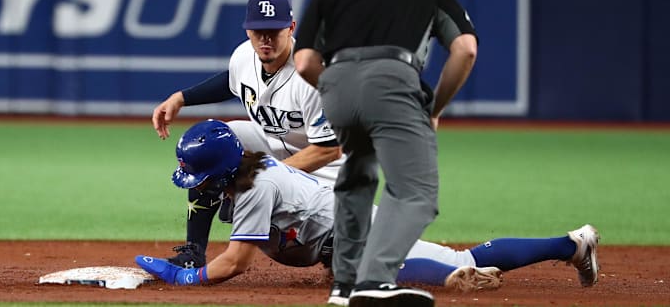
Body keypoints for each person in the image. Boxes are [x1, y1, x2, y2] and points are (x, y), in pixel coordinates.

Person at [135, 120, 600, 307]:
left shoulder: (254, 184)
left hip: (356, 228)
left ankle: (574, 243)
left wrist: (184, 278)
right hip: (336, 234)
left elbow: (236, 263)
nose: (198, 189)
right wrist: (193, 250)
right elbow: (206, 202)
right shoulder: (235, 171)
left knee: (459, 261)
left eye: (199, 178)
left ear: (219, 170)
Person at [292, 0, 479, 307]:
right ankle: (374, 280)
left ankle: (343, 285)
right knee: (416, 192)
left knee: (357, 175)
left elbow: (306, 61)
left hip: (337, 85)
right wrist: (435, 107)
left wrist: (336, 88)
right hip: (393, 79)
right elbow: (465, 49)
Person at [151, 0, 343, 269]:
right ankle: (193, 252)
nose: (265, 39)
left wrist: (258, 180)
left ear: (291, 28)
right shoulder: (244, 56)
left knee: (302, 242)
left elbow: (330, 150)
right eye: (257, 31)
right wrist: (182, 97)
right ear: (248, 31)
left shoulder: (310, 77)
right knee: (214, 142)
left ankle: (333, 248)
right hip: (278, 147)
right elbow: (231, 80)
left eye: (273, 30)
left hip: (327, 173)